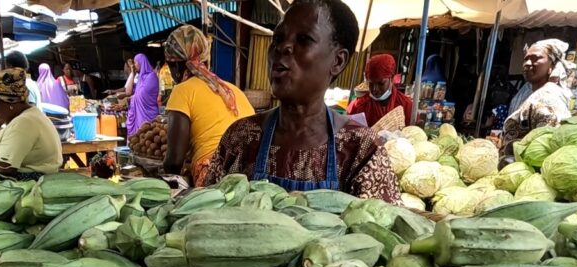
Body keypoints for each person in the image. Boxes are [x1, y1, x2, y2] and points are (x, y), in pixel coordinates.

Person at [203, 0, 399, 202]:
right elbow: (204, 215)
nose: (283, 47)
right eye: (277, 38)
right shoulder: (240, 138)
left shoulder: (361, 150)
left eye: (304, 39)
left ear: (338, 61)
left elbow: (383, 227)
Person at [163, 25, 254, 186]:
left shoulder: (182, 91)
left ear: (176, 66)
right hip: (250, 175)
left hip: (216, 178)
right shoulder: (233, 90)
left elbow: (174, 162)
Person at [0, 68, 62, 179]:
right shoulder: (31, 114)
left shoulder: (24, 123)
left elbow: (4, 167)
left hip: (27, 186)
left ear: (9, 103)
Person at [501, 39, 572, 156]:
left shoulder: (548, 97)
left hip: (530, 166)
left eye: (536, 58)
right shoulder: (532, 91)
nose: (528, 63)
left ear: (552, 65)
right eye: (526, 59)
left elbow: (548, 142)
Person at [347, 54, 413, 127]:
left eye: (381, 84)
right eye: (371, 84)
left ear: (391, 78)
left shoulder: (406, 105)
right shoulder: (359, 105)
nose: (375, 89)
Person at [126, 54, 161, 139]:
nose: (134, 65)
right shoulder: (140, 78)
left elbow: (143, 95)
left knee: (146, 138)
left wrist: (132, 98)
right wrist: (133, 73)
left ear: (142, 63)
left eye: (135, 62)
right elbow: (128, 91)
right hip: (139, 114)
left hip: (148, 115)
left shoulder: (151, 77)